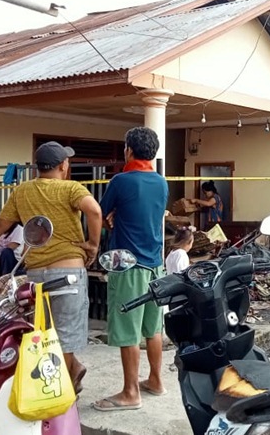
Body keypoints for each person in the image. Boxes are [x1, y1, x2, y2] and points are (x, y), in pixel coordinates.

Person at [0, 141, 101, 395]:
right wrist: (93, 245)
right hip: (68, 272)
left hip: (36, 275)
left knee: (44, 333)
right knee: (65, 338)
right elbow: (95, 211)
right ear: (63, 165)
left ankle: (71, 374)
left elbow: (0, 225)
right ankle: (63, 396)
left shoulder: (22, 191)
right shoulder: (71, 188)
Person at [93, 127, 168, 412]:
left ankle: (130, 392)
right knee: (153, 328)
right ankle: (156, 380)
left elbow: (99, 213)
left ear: (129, 150)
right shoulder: (161, 182)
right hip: (155, 264)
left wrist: (103, 230)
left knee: (128, 330)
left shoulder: (121, 181)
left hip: (128, 263)